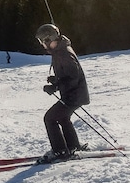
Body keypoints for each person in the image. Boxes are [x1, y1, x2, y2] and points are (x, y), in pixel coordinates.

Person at [35, 23, 90, 163]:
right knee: (63, 118)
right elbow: (68, 75)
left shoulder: (64, 53)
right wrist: (56, 80)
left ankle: (59, 151)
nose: (42, 45)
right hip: (74, 94)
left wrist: (56, 86)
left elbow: (73, 77)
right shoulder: (60, 50)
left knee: (50, 118)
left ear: (48, 39)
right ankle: (72, 146)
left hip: (74, 95)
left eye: (43, 41)